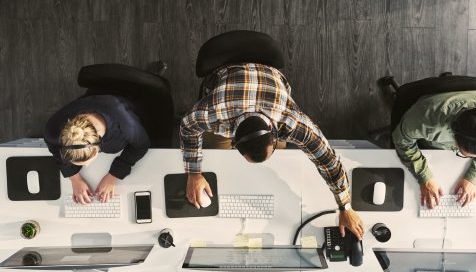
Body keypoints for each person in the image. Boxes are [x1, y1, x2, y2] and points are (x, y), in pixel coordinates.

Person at [180, 63, 364, 239]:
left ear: (275, 135)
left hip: (270, 87)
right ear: (233, 140)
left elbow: (328, 161)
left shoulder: (291, 121)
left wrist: (345, 207)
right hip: (227, 79)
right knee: (217, 161)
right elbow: (187, 126)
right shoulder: (214, 113)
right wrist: (194, 173)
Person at [44, 62, 169, 204]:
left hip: (134, 100)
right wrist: (74, 178)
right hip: (97, 95)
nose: (85, 167)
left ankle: (150, 75)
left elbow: (141, 145)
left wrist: (113, 175)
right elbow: (54, 147)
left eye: (85, 162)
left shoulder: (126, 126)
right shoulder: (54, 129)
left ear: (98, 148)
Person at [392, 90, 476, 209]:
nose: (469, 159)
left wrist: (473, 177)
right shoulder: (425, 120)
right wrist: (425, 177)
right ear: (454, 139)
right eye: (464, 154)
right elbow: (402, 141)